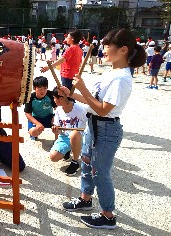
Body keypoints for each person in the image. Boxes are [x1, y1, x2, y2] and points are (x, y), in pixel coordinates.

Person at [60, 29, 146, 229]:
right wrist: (71, 95)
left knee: (100, 172)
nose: (103, 49)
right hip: (94, 124)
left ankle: (108, 215)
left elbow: (104, 109)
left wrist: (81, 89)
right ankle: (85, 199)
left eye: (108, 45)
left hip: (107, 129)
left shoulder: (122, 79)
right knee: (86, 163)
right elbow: (94, 102)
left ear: (123, 50)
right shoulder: (111, 72)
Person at [49, 87, 87, 176]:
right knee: (53, 157)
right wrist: (56, 130)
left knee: (74, 134)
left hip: (78, 137)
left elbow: (89, 125)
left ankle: (75, 162)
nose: (54, 100)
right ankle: (67, 151)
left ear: (61, 98)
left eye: (54, 98)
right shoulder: (58, 109)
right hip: (65, 136)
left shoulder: (80, 109)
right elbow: (58, 128)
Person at [24, 76, 57, 140]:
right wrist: (37, 123)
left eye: (45, 88)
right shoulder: (30, 98)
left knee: (58, 126)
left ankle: (57, 140)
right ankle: (35, 135)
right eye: (40, 88)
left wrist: (56, 120)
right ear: (34, 88)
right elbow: (28, 114)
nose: (43, 91)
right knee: (33, 132)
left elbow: (57, 108)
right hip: (36, 118)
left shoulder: (50, 95)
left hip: (49, 117)